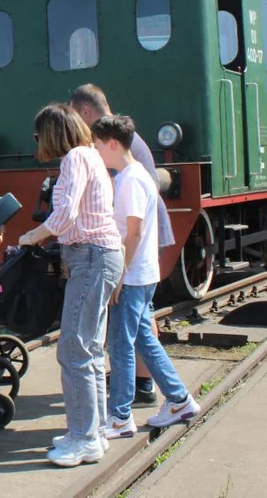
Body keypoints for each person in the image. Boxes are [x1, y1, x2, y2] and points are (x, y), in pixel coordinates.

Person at [19, 103, 123, 468]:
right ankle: (92, 432)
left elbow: (65, 216)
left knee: (74, 350)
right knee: (90, 350)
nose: (36, 142)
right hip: (100, 255)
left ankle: (83, 439)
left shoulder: (75, 159)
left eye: (37, 136)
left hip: (91, 256)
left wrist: (33, 235)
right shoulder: (91, 155)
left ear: (50, 133)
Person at [91, 115, 201, 439]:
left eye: (98, 145)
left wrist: (118, 276)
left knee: (121, 345)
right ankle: (179, 399)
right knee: (143, 339)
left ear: (112, 144)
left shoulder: (130, 181)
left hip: (133, 276)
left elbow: (134, 233)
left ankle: (120, 417)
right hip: (141, 273)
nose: (96, 152)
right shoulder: (135, 176)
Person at [70, 83, 174, 404]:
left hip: (136, 238)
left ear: (86, 111)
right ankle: (152, 386)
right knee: (140, 317)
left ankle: (138, 389)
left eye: (76, 115)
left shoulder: (117, 148)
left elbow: (129, 209)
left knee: (132, 322)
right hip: (140, 233)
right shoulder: (127, 141)